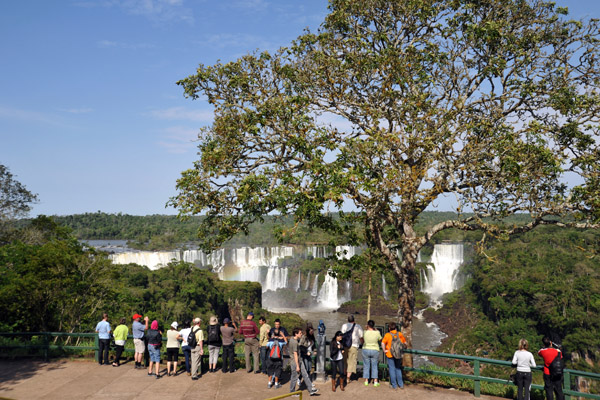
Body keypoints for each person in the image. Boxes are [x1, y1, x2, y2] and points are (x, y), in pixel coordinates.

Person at [288, 327, 318, 396]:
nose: (301, 334)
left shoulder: (292, 339)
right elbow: (295, 354)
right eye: (300, 333)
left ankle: (310, 390)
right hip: (296, 362)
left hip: (299, 361)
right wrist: (297, 366)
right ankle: (292, 392)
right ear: (296, 334)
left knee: (305, 375)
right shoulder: (295, 342)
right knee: (294, 377)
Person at [381, 322, 407, 389]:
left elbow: (383, 343)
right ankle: (401, 384)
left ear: (389, 328)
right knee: (398, 368)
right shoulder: (399, 334)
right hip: (398, 354)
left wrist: (384, 350)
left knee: (392, 369)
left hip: (390, 354)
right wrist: (404, 348)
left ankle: (394, 385)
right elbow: (405, 343)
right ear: (395, 327)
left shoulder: (387, 335)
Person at [341, 314, 364, 382]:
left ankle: (344, 375)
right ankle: (348, 378)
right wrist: (363, 343)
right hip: (354, 346)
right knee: (351, 362)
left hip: (345, 346)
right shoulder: (358, 326)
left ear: (348, 320)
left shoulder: (344, 326)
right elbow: (361, 337)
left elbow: (341, 336)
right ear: (354, 320)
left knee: (344, 361)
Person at [362, 319, 382, 386]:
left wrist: (366, 328)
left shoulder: (365, 332)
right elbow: (380, 339)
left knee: (366, 365)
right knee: (374, 365)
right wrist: (376, 330)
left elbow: (362, 338)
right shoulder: (377, 332)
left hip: (366, 349)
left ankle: (366, 380)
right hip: (375, 349)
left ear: (367, 325)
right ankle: (375, 381)